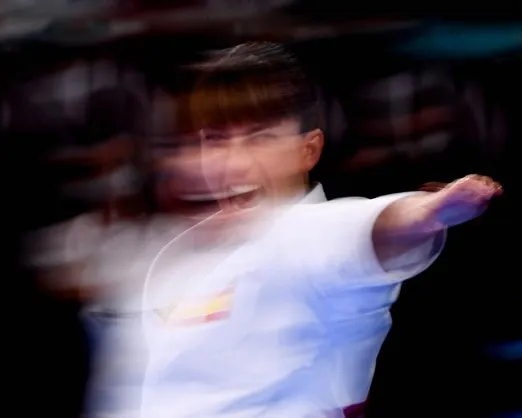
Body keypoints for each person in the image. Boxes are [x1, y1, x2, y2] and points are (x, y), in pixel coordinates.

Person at [137, 41, 502, 418]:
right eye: (216, 140)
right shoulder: (175, 256)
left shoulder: (307, 235)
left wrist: (430, 211)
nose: (234, 162)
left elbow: (369, 226)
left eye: (259, 139)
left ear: (308, 151)